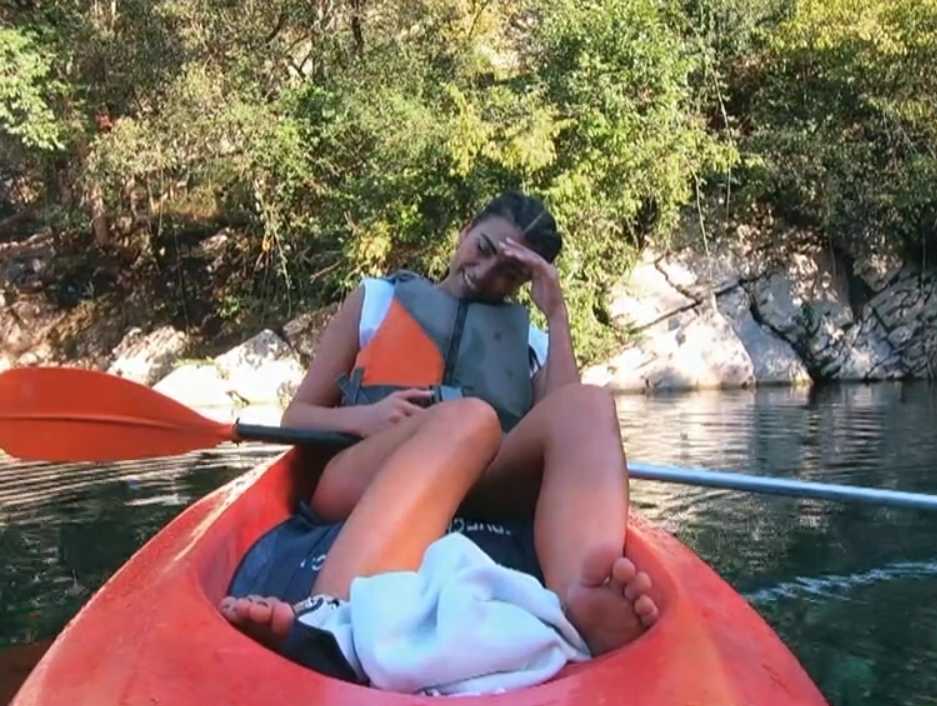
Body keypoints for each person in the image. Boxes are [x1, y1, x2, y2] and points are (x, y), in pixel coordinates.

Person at [218, 192, 658, 661]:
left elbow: (563, 422)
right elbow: (298, 416)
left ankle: (579, 598)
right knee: (471, 417)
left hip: (482, 482)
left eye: (510, 273)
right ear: (465, 231)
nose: (485, 274)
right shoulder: (376, 301)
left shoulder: (529, 341)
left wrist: (556, 313)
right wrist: (366, 417)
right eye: (483, 249)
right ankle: (327, 617)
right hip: (364, 474)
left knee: (589, 404)